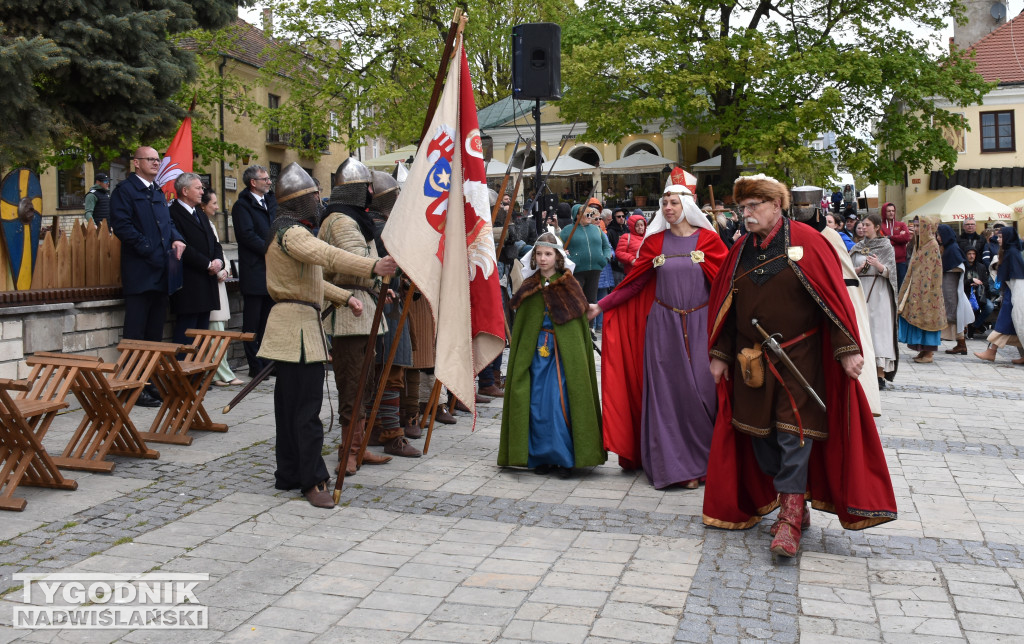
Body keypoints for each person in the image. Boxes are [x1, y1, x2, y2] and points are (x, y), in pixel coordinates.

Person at [703, 174, 896, 558]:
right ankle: (793, 499)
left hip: (801, 360)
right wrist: (720, 354)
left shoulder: (809, 243)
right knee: (761, 439)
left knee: (796, 435)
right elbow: (728, 306)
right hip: (752, 363)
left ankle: (790, 519)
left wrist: (847, 349)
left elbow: (832, 301)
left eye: (754, 206)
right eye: (743, 207)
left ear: (777, 205)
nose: (746, 213)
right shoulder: (739, 250)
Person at [258, 163, 389, 509]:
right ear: (301, 200)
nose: (319, 201)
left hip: (291, 326)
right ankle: (312, 479)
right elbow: (329, 255)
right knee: (305, 411)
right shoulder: (293, 233)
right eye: (314, 196)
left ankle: (288, 472)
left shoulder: (284, 230)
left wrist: (345, 297)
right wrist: (372, 266)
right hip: (298, 332)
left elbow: (312, 281)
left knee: (290, 409)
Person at [591, 183, 727, 487]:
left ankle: (706, 463)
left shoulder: (709, 240)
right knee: (669, 395)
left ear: (687, 206)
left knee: (703, 392)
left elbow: (726, 285)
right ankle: (677, 468)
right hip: (663, 327)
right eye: (665, 203)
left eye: (674, 203)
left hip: (701, 324)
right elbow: (634, 284)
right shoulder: (654, 243)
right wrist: (600, 306)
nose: (668, 208)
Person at [498, 233, 606, 478]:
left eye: (548, 254)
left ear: (557, 257)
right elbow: (524, 325)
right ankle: (541, 457)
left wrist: (567, 346)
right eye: (539, 254)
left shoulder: (569, 285)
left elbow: (577, 328)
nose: (543, 258)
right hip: (535, 356)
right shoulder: (529, 286)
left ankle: (564, 458)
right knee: (536, 404)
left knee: (559, 404)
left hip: (562, 357)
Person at [319, 161, 400, 474]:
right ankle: (348, 452)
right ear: (353, 189)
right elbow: (359, 260)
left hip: (364, 309)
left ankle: (359, 447)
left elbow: (368, 265)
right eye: (366, 187)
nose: (370, 192)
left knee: (365, 384)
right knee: (352, 385)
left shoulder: (354, 218)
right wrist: (378, 273)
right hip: (347, 314)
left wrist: (379, 288)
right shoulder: (340, 221)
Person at [109, 146, 186, 407]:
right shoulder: (125, 191)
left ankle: (149, 383)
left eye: (157, 159)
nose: (155, 163)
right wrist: (149, 250)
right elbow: (122, 226)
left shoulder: (157, 191)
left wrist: (177, 239)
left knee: (154, 334)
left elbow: (168, 223)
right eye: (150, 159)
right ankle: (131, 385)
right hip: (140, 273)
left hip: (161, 273)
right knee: (136, 334)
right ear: (136, 163)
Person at [167, 172, 224, 347]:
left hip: (206, 283)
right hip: (189, 285)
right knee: (187, 337)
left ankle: (197, 366)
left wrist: (218, 261)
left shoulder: (199, 213)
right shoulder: (172, 213)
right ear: (185, 191)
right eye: (198, 188)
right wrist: (207, 264)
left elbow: (214, 242)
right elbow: (183, 247)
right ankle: (182, 366)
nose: (202, 192)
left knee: (201, 337)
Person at [232, 164, 277, 377]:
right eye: (265, 179)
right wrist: (271, 249)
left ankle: (268, 363)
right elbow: (247, 235)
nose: (269, 182)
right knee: (252, 322)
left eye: (268, 178)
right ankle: (255, 366)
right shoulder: (242, 206)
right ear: (253, 182)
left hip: (271, 271)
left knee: (268, 321)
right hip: (254, 270)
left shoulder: (270, 202)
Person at [201, 190, 244, 388]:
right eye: (214, 203)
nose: (217, 207)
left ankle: (218, 372)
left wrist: (225, 268)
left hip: (218, 280)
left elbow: (219, 251)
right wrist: (219, 269)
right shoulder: (203, 224)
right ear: (203, 205)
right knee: (215, 333)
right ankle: (222, 373)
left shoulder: (210, 224)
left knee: (218, 331)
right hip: (210, 283)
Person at [850, 214, 899, 390]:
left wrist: (878, 265)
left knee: (879, 332)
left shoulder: (886, 246)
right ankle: (862, 372)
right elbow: (847, 269)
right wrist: (856, 269)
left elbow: (892, 273)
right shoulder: (857, 247)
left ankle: (880, 375)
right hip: (860, 291)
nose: (863, 227)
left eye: (867, 225)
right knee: (862, 330)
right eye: (862, 224)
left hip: (879, 292)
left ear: (877, 227)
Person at [897, 217, 944, 363]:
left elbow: (930, 271)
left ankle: (929, 353)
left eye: (918, 226)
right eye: (915, 226)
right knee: (918, 317)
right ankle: (923, 350)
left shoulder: (932, 245)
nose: (916, 229)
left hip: (928, 292)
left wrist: (924, 290)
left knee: (928, 318)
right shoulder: (920, 244)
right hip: (917, 288)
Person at [974, 227, 1024, 364]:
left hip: (1014, 293)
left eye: (1001, 237)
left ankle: (991, 351)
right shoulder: (1008, 251)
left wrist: (1017, 299)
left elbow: (1018, 279)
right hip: (1010, 292)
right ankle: (993, 351)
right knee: (1011, 325)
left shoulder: (1012, 253)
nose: (998, 239)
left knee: (1003, 323)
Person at [559, 199, 612, 304]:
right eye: (586, 214)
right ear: (577, 215)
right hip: (576, 271)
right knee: (577, 301)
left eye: (590, 214)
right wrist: (569, 259)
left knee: (592, 301)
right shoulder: (567, 230)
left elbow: (606, 246)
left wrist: (605, 259)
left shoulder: (597, 229)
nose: (589, 216)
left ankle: (589, 316)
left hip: (595, 270)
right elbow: (559, 248)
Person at [938, 224, 973, 355]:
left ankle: (961, 344)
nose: (938, 237)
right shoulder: (948, 248)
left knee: (955, 315)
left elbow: (959, 266)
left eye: (939, 235)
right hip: (951, 287)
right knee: (957, 315)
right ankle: (961, 344)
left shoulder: (952, 249)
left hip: (952, 289)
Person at [879, 202, 912, 289]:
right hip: (886, 262)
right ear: (884, 212)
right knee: (889, 287)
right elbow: (883, 242)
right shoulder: (880, 226)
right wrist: (899, 238)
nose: (891, 213)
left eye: (893, 211)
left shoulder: (901, 224)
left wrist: (890, 237)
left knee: (902, 287)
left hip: (901, 261)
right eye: (889, 211)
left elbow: (906, 238)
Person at [963, 248, 993, 338]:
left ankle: (975, 325)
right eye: (969, 254)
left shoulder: (981, 267)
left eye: (973, 254)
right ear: (966, 255)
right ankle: (973, 328)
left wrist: (979, 283)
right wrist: (971, 281)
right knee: (971, 306)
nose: (971, 256)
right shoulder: (963, 267)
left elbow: (986, 283)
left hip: (980, 295)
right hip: (966, 294)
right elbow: (960, 283)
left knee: (990, 307)